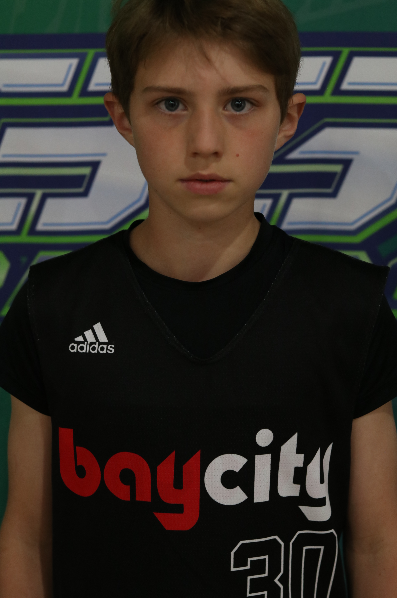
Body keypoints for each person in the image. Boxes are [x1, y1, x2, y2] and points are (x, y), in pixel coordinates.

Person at [0, 0, 397, 597]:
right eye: (171, 104)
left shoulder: (349, 308)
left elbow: (377, 542)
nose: (205, 142)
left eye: (239, 104)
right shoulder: (54, 307)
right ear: (122, 115)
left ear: (288, 117)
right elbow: (29, 538)